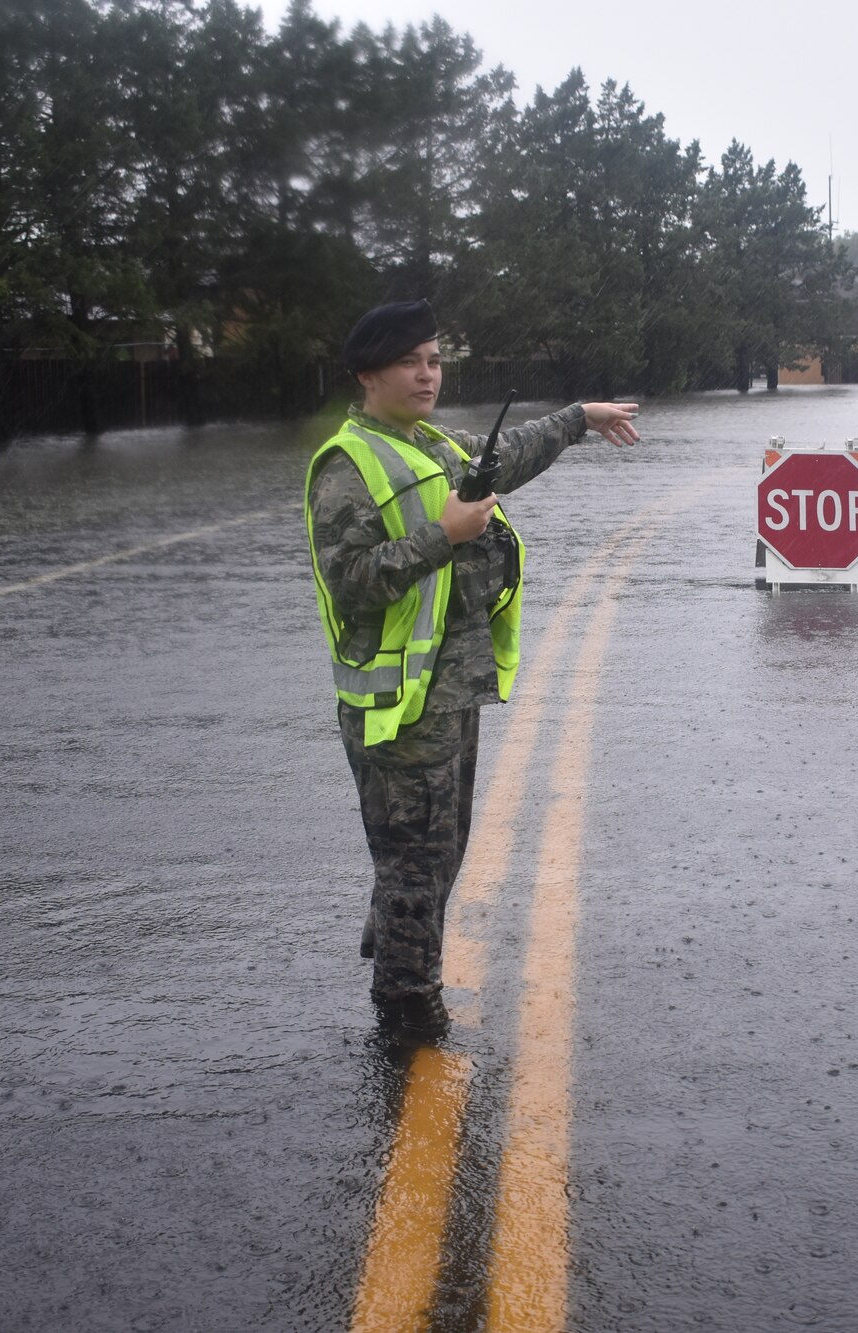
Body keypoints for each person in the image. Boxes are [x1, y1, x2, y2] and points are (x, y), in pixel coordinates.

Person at [304, 300, 641, 1040]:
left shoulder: (424, 443)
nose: (427, 374)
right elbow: (352, 582)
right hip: (398, 707)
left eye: (433, 359)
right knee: (418, 857)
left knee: (436, 849)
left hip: (445, 690)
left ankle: (397, 929)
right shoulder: (349, 467)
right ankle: (405, 1004)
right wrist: (442, 537)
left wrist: (578, 417)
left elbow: (506, 455)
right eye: (409, 361)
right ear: (368, 374)